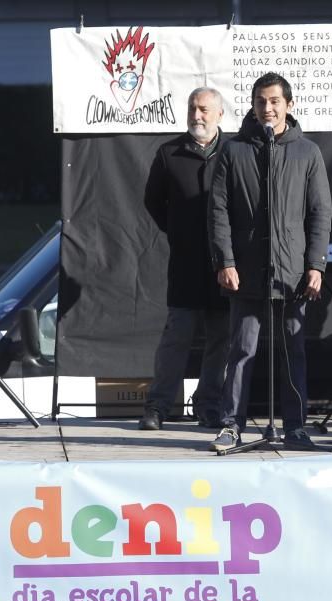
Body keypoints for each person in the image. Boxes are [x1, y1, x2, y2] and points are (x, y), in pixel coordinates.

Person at [208, 72, 332, 451]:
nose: (268, 108)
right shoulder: (233, 150)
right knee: (242, 350)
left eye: (275, 101)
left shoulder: (307, 152)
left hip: (292, 273)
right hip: (246, 272)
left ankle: (294, 427)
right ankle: (231, 425)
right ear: (253, 105)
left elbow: (320, 212)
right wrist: (225, 261)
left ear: (289, 105)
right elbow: (218, 211)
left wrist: (316, 265)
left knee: (292, 351)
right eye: (261, 101)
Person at [140, 87, 231, 431]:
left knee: (220, 340)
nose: (197, 115)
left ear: (220, 114)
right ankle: (159, 407)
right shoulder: (169, 153)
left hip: (225, 265)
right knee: (176, 338)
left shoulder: (235, 152)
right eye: (193, 108)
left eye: (205, 109)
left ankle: (209, 407)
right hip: (185, 264)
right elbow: (153, 202)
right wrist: (178, 232)